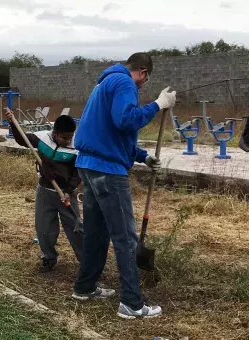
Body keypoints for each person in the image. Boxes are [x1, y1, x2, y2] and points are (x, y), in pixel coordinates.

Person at [71, 53, 176, 319]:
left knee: (96, 232)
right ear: (143, 72)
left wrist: (144, 156)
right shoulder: (125, 83)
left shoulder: (104, 84)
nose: (143, 85)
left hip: (89, 164)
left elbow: (112, 131)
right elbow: (126, 120)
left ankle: (85, 287)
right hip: (107, 170)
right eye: (145, 80)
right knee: (125, 238)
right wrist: (157, 105)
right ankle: (131, 303)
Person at [4, 108, 83, 272]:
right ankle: (49, 257)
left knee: (75, 229)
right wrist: (13, 123)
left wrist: (69, 190)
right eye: (64, 137)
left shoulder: (77, 146)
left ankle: (87, 262)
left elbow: (78, 172)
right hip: (45, 191)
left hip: (66, 193)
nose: (68, 141)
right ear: (55, 133)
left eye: (70, 137)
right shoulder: (43, 138)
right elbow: (22, 139)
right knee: (44, 228)